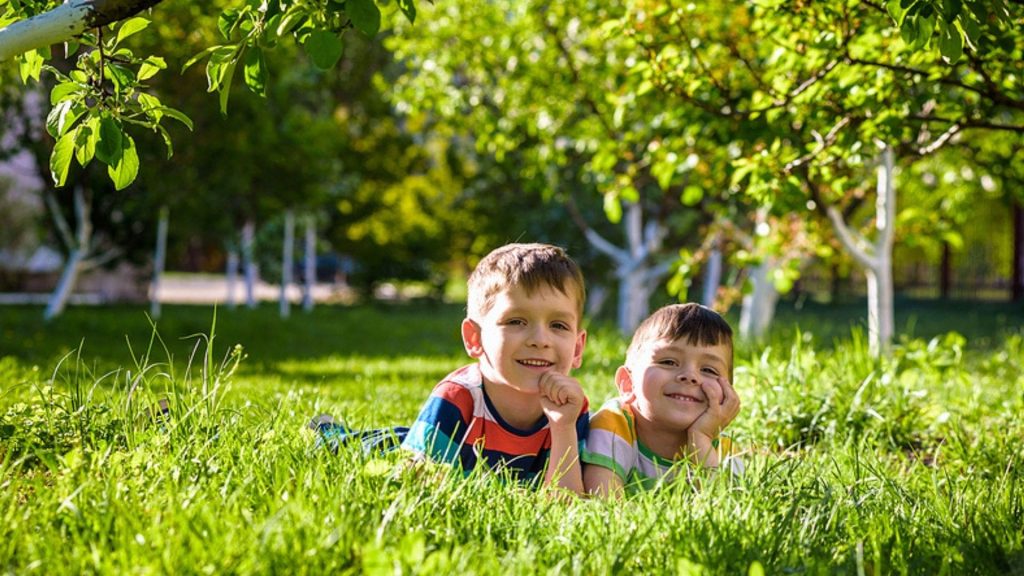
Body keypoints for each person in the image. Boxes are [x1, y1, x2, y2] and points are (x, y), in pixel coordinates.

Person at [398, 243, 590, 494]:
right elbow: (414, 486)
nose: (540, 339)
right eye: (516, 321)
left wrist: (563, 427)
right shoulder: (457, 398)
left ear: (577, 348)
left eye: (558, 325)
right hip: (413, 441)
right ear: (474, 339)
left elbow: (568, 503)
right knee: (355, 440)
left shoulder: (570, 406)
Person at [582, 303, 742, 497]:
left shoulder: (725, 450)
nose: (690, 376)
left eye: (708, 370)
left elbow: (725, 513)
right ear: (627, 382)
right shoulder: (614, 424)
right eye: (668, 362)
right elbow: (603, 504)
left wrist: (701, 439)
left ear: (727, 394)